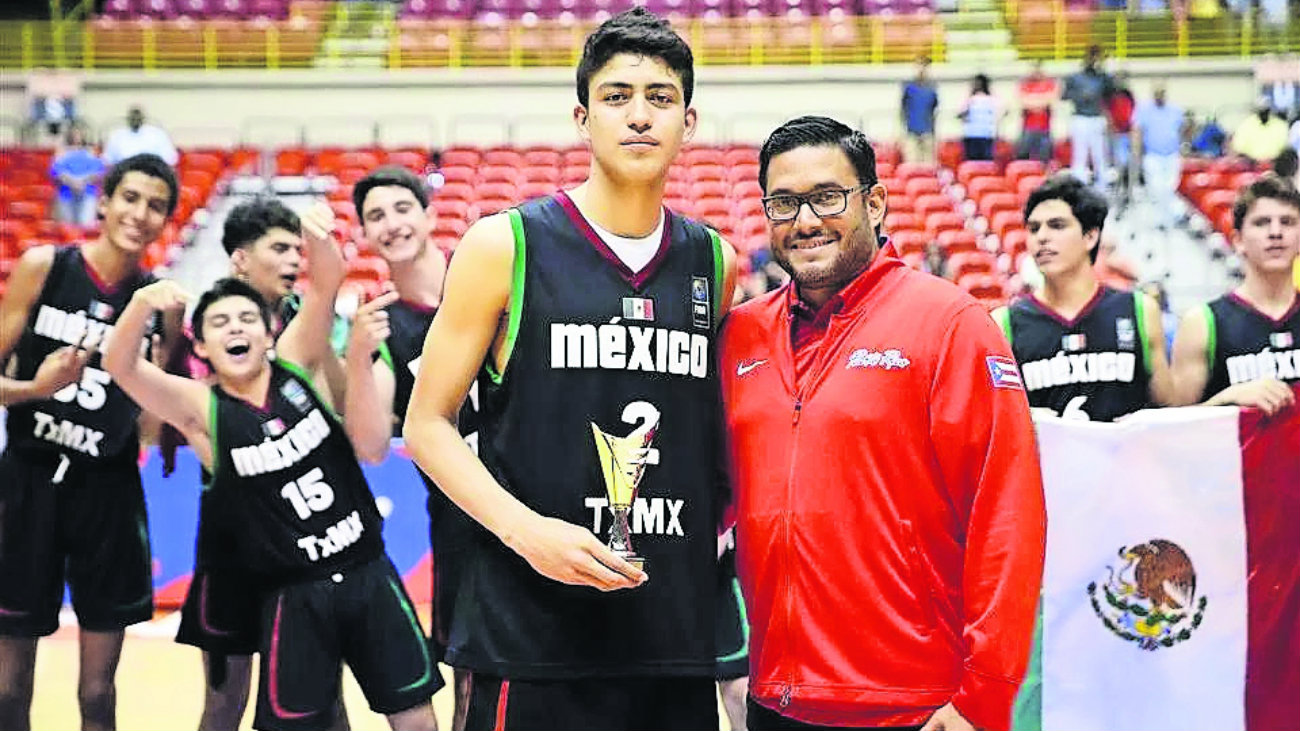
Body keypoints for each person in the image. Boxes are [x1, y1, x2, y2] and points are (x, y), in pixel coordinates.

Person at [401, 8, 738, 730]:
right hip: (533, 631)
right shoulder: (504, 245)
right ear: (582, 119)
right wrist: (527, 532)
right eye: (617, 97)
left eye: (660, 97)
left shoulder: (715, 261)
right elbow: (426, 425)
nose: (639, 115)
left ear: (688, 121)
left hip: (670, 634)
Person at [719, 115, 1045, 730]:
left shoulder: (951, 324)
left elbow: (1008, 514)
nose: (805, 221)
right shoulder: (741, 335)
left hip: (916, 707)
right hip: (776, 700)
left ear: (874, 203)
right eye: (784, 203)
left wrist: (983, 696)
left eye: (827, 197)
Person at [101, 207, 440, 731]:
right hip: (291, 588)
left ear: (268, 332)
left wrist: (315, 232)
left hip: (366, 569)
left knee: (415, 719)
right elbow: (120, 365)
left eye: (245, 320)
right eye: (219, 323)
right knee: (251, 707)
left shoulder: (294, 363)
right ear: (201, 346)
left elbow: (326, 282)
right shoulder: (202, 407)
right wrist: (143, 302)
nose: (235, 329)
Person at [0, 153, 182, 731]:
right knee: (6, 689)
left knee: (98, 694)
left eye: (156, 206)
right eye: (130, 198)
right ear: (103, 202)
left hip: (107, 490)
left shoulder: (158, 304)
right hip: (27, 481)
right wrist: (37, 388)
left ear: (166, 221)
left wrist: (159, 371)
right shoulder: (45, 267)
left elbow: (150, 427)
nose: (140, 214)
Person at [171, 196, 352, 731]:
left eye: (299, 249)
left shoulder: (305, 318)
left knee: (325, 698)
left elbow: (337, 407)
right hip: (233, 544)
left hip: (307, 541)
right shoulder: (209, 328)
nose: (295, 259)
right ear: (241, 260)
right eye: (280, 249)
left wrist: (328, 339)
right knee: (225, 702)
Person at [340, 165, 472, 729]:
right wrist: (356, 359)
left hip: (535, 497)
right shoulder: (381, 328)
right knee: (470, 679)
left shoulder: (484, 286)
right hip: (461, 521)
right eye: (376, 216)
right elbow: (371, 447)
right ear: (365, 235)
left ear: (429, 215)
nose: (391, 223)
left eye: (401, 209)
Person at [992, 176, 1176, 422]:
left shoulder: (1139, 309)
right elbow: (996, 416)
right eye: (1034, 228)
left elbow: (1168, 410)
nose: (1042, 237)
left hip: (1122, 448)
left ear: (1090, 236)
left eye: (1057, 225)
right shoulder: (1004, 323)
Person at [1171, 174, 1299, 415]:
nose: (1275, 232)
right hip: (1234, 440)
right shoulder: (1202, 323)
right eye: (1261, 223)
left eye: (1287, 222)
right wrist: (1227, 399)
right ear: (1238, 240)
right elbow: (1175, 427)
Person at [1132, 82, 1187, 230]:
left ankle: (1169, 218)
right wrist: (1136, 152)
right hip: (1153, 155)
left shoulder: (1175, 110)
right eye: (1157, 92)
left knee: (1170, 187)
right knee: (1156, 188)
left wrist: (1184, 148)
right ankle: (1165, 217)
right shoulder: (1144, 110)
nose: (1159, 95)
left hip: (1172, 155)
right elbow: (1137, 131)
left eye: (1162, 92)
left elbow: (1183, 129)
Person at [1062, 45, 1114, 188]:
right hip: (1080, 118)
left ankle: (1102, 187)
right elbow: (1065, 96)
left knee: (1100, 155)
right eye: (1092, 56)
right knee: (1080, 155)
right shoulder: (1075, 78)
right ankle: (1078, 186)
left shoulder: (1103, 78)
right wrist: (1081, 95)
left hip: (1097, 118)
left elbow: (1111, 92)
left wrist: (1104, 69)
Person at [50, 124, 107, 227]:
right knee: (67, 229)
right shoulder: (61, 153)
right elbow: (56, 172)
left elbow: (98, 171)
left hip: (87, 194)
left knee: (86, 227)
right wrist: (72, 182)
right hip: (66, 195)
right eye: (74, 135)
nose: (77, 137)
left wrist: (82, 182)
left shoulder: (91, 152)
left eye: (79, 134)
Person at [104, 105, 178, 166]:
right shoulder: (117, 136)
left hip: (152, 173)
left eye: (138, 118)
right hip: (124, 173)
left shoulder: (158, 134)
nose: (135, 121)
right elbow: (108, 161)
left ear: (143, 119)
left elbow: (171, 160)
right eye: (133, 119)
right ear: (128, 119)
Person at [1016, 60, 1058, 163]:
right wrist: (1041, 101)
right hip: (1028, 127)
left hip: (1044, 127)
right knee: (1023, 154)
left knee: (1045, 156)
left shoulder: (1049, 84)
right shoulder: (1025, 84)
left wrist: (1032, 100)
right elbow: (1022, 101)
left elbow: (1051, 100)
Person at [901, 55, 939, 164]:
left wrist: (934, 130)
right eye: (919, 65)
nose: (921, 69)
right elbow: (902, 109)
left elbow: (934, 110)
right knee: (911, 163)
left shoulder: (932, 88)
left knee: (928, 164)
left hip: (928, 131)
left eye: (924, 66)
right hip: (911, 131)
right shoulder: (908, 87)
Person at [1230, 99, 1291, 165]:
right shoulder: (1246, 125)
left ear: (1270, 111)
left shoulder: (1280, 125)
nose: (1263, 113)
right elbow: (1238, 148)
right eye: (1261, 111)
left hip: (1275, 164)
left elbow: (1286, 147)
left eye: (1266, 111)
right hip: (1252, 164)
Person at [958, 73, 1001, 162]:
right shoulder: (970, 100)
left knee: (983, 162)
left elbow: (998, 115)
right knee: (974, 161)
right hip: (973, 134)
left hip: (984, 134)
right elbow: (961, 114)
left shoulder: (990, 99)